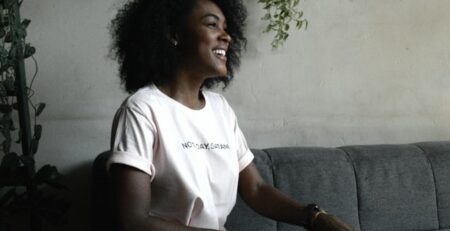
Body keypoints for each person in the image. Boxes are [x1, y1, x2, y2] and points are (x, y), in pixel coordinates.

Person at [107, 0, 358, 230]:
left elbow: (257, 190)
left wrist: (313, 216)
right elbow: (134, 221)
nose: (226, 36)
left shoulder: (220, 109)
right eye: (212, 24)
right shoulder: (142, 110)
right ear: (175, 35)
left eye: (226, 27)